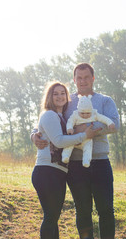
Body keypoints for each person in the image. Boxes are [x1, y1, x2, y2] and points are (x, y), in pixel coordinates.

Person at [32, 63, 120, 239]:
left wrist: (84, 129)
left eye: (87, 77)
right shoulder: (68, 102)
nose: (83, 81)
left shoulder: (105, 100)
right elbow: (48, 120)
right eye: (79, 78)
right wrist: (33, 135)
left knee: (106, 210)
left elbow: (114, 124)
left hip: (101, 162)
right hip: (75, 165)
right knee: (83, 211)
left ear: (93, 78)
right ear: (74, 80)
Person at [31, 81, 98, 239]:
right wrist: (84, 136)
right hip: (47, 171)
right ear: (50, 97)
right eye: (55, 94)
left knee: (53, 217)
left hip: (58, 172)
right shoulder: (49, 114)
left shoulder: (62, 116)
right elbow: (59, 141)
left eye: (63, 93)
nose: (60, 96)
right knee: (50, 217)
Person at [62, 94, 115, 168]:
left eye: (88, 113)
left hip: (87, 139)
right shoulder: (75, 114)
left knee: (88, 147)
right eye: (82, 113)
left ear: (91, 110)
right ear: (78, 110)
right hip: (75, 137)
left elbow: (103, 118)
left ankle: (86, 160)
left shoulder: (94, 114)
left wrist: (110, 123)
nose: (85, 115)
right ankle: (65, 156)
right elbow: (70, 121)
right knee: (69, 144)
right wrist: (69, 128)